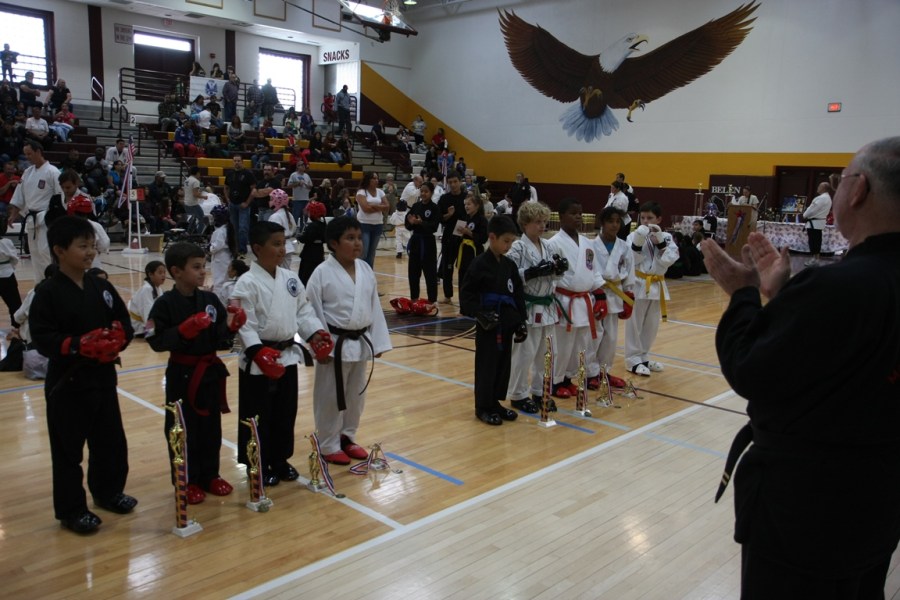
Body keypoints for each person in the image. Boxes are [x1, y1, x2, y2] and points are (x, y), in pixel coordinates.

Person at [701, 136, 900, 598]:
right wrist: (785, 297)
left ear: (858, 190)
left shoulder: (840, 286)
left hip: (807, 510)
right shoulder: (860, 283)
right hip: (879, 496)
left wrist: (743, 294)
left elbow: (750, 368)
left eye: (842, 180)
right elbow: (841, 355)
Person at [29, 216, 136, 534]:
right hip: (68, 382)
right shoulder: (47, 292)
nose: (90, 252)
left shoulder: (101, 286)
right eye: (82, 246)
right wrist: (78, 345)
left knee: (110, 442)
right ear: (60, 250)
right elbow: (42, 337)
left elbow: (123, 320)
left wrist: (119, 338)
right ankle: (72, 510)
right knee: (68, 450)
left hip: (103, 377)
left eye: (92, 245)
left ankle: (108, 493)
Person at [231, 221, 330, 486]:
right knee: (258, 415)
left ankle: (280, 459)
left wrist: (314, 333)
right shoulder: (246, 283)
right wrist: (256, 350)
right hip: (258, 359)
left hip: (286, 356)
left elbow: (303, 311)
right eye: (276, 244)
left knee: (285, 412)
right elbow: (244, 323)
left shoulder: (290, 278)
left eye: (283, 243)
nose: (282, 249)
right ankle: (257, 463)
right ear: (257, 248)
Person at [147, 242, 245, 505]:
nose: (203, 271)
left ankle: (210, 474)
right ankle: (186, 479)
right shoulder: (164, 304)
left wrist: (232, 327)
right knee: (181, 428)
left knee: (210, 427)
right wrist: (181, 332)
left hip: (209, 371)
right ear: (176, 271)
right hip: (181, 373)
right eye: (196, 267)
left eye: (204, 266)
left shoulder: (210, 300)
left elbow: (221, 338)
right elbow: (154, 340)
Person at [306, 216, 391, 464]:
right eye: (350, 238)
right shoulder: (321, 273)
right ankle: (328, 443)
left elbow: (374, 307)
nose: (357, 243)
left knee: (356, 395)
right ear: (334, 243)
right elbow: (310, 311)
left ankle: (347, 436)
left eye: (359, 238)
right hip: (333, 343)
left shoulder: (365, 269)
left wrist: (378, 342)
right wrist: (319, 346)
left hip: (360, 341)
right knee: (330, 395)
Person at [460, 215, 527, 426]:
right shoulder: (479, 264)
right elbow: (467, 294)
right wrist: (479, 314)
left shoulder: (509, 266)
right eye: (506, 241)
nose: (509, 246)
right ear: (492, 237)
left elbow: (517, 295)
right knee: (486, 365)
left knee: (503, 364)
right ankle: (482, 406)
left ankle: (495, 403)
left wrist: (521, 322)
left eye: (512, 242)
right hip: (488, 324)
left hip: (506, 322)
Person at [506, 201, 565, 413]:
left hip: (547, 305)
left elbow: (556, 277)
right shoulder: (517, 247)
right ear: (525, 224)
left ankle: (540, 392)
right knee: (525, 353)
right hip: (528, 306)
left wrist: (559, 269)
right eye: (537, 222)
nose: (542, 226)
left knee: (547, 353)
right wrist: (531, 272)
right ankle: (518, 394)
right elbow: (508, 274)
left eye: (544, 222)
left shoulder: (548, 246)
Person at [549, 198, 606, 399]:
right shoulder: (553, 243)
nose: (578, 217)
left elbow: (594, 271)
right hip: (564, 301)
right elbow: (551, 276)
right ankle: (554, 382)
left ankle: (567, 378)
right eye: (573, 213)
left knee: (578, 345)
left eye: (580, 213)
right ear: (561, 216)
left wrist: (600, 295)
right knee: (562, 345)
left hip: (583, 301)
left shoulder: (587, 243)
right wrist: (552, 301)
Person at [624, 201, 679, 376]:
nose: (646, 221)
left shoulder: (667, 237)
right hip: (638, 283)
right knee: (635, 323)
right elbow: (630, 260)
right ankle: (632, 359)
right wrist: (638, 242)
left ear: (659, 219)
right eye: (643, 218)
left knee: (651, 325)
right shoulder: (632, 236)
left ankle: (644, 356)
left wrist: (661, 244)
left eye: (650, 218)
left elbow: (670, 260)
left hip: (657, 284)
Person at [587, 207, 635, 388]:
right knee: (594, 336)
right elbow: (588, 271)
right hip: (596, 294)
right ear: (602, 223)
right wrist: (595, 291)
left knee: (611, 338)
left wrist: (629, 296)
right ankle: (589, 373)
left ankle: (603, 372)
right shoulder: (590, 245)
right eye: (610, 221)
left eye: (617, 221)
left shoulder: (624, 247)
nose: (615, 225)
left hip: (615, 294)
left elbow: (629, 272)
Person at [9, 141, 63, 282]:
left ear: (38, 152)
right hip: (31, 219)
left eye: (29, 154)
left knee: (46, 252)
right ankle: (40, 284)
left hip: (47, 219)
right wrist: (13, 214)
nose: (27, 157)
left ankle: (54, 282)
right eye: (25, 154)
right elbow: (20, 195)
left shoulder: (52, 171)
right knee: (35, 254)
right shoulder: (27, 172)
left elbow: (60, 197)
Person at [59, 170, 109, 269]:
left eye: (68, 187)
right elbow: (104, 244)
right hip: (91, 260)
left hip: (74, 260)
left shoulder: (66, 227)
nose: (65, 190)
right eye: (63, 187)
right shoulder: (94, 225)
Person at [405, 181, 440, 306]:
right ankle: (414, 298)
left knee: (430, 272)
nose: (423, 193)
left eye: (426, 191)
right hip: (416, 241)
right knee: (413, 271)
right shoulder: (416, 206)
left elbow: (434, 226)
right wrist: (411, 223)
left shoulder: (435, 208)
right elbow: (408, 223)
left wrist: (421, 223)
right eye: (422, 191)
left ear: (431, 193)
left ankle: (432, 299)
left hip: (428, 242)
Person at [437, 172, 467, 303]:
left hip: (465, 237)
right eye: (450, 182)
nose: (453, 185)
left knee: (464, 269)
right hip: (449, 236)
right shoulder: (444, 199)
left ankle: (464, 297)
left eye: (455, 181)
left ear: (460, 182)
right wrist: (449, 215)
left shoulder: (467, 198)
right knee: (447, 267)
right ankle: (447, 296)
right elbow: (439, 218)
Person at [456, 191, 488, 290]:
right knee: (462, 279)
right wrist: (459, 233)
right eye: (465, 204)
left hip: (475, 252)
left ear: (477, 206)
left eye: (469, 204)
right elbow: (457, 236)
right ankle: (462, 298)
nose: (466, 206)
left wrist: (469, 232)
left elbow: (483, 238)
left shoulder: (482, 220)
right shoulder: (464, 218)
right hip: (464, 251)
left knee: (473, 279)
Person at [355, 171, 388, 268]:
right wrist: (380, 207)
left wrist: (373, 205)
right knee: (364, 252)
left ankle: (369, 273)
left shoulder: (380, 192)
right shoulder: (361, 192)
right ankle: (360, 272)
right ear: (368, 180)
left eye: (377, 178)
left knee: (372, 253)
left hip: (378, 224)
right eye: (374, 178)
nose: (376, 180)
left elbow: (387, 207)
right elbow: (366, 209)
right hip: (364, 224)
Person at [128, 260, 166, 336]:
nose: (163, 275)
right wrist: (152, 333)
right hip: (138, 327)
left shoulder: (158, 289)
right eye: (160, 273)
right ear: (150, 274)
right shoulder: (146, 289)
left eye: (164, 272)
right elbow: (148, 313)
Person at [209, 204, 236, 305]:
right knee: (224, 281)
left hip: (220, 259)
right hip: (225, 258)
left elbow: (217, 246)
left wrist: (209, 248)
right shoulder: (226, 228)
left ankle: (218, 304)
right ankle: (225, 302)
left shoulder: (220, 231)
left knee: (219, 283)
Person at [297, 200, 328, 286]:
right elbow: (325, 239)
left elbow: (305, 238)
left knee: (305, 275)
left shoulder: (311, 226)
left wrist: (298, 237)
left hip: (309, 253)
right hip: (319, 252)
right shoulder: (324, 226)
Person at [802, 181, 833, 266]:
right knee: (817, 241)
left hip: (814, 223)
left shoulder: (821, 198)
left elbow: (812, 209)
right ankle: (816, 258)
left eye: (819, 186)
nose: (818, 188)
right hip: (818, 223)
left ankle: (815, 259)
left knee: (813, 241)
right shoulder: (828, 198)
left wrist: (805, 215)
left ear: (824, 188)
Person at [0, 216, 21, 327]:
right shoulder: (7, 242)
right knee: (14, 304)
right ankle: (16, 327)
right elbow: (14, 259)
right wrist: (9, 268)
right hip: (7, 275)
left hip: (6, 272)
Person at [267, 189, 296, 269]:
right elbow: (294, 228)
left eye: (271, 199)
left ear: (277, 201)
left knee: (279, 271)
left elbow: (272, 233)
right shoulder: (289, 214)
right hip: (288, 246)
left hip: (278, 247)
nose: (270, 201)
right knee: (285, 270)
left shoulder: (275, 216)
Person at [287, 161, 313, 227]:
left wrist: (307, 185)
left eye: (304, 165)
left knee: (304, 217)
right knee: (295, 216)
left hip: (306, 199)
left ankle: (302, 230)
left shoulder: (307, 176)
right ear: (297, 166)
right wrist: (298, 183)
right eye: (301, 165)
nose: (303, 166)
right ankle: (293, 230)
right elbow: (289, 185)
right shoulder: (293, 175)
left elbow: (311, 186)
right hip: (297, 200)